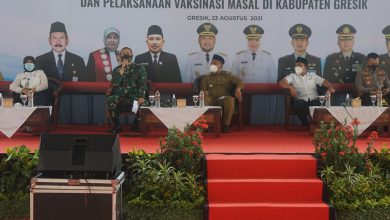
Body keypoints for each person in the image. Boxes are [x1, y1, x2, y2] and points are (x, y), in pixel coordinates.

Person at [279, 57, 335, 126]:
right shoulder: (292, 76)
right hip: (301, 100)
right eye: (296, 65)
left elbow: (324, 82)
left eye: (300, 65)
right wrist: (290, 87)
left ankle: (316, 125)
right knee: (298, 105)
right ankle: (305, 124)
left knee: (318, 104)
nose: (297, 67)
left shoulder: (312, 75)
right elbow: (282, 82)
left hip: (314, 99)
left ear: (305, 67)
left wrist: (330, 87)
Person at [107, 47, 147, 134]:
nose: (125, 54)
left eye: (128, 53)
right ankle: (117, 126)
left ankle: (135, 125)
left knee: (145, 104)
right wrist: (122, 68)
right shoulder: (116, 70)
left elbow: (142, 84)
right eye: (123, 53)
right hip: (120, 99)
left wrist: (141, 96)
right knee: (111, 99)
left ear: (132, 55)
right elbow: (115, 83)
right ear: (120, 56)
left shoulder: (139, 68)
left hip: (134, 101)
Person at [200, 54, 244, 133]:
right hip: (211, 99)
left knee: (230, 99)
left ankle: (225, 125)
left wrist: (238, 89)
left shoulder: (228, 75)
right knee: (205, 99)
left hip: (223, 99)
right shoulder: (206, 77)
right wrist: (204, 93)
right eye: (211, 64)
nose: (212, 65)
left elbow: (240, 82)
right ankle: (209, 125)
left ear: (221, 65)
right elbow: (203, 90)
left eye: (215, 64)